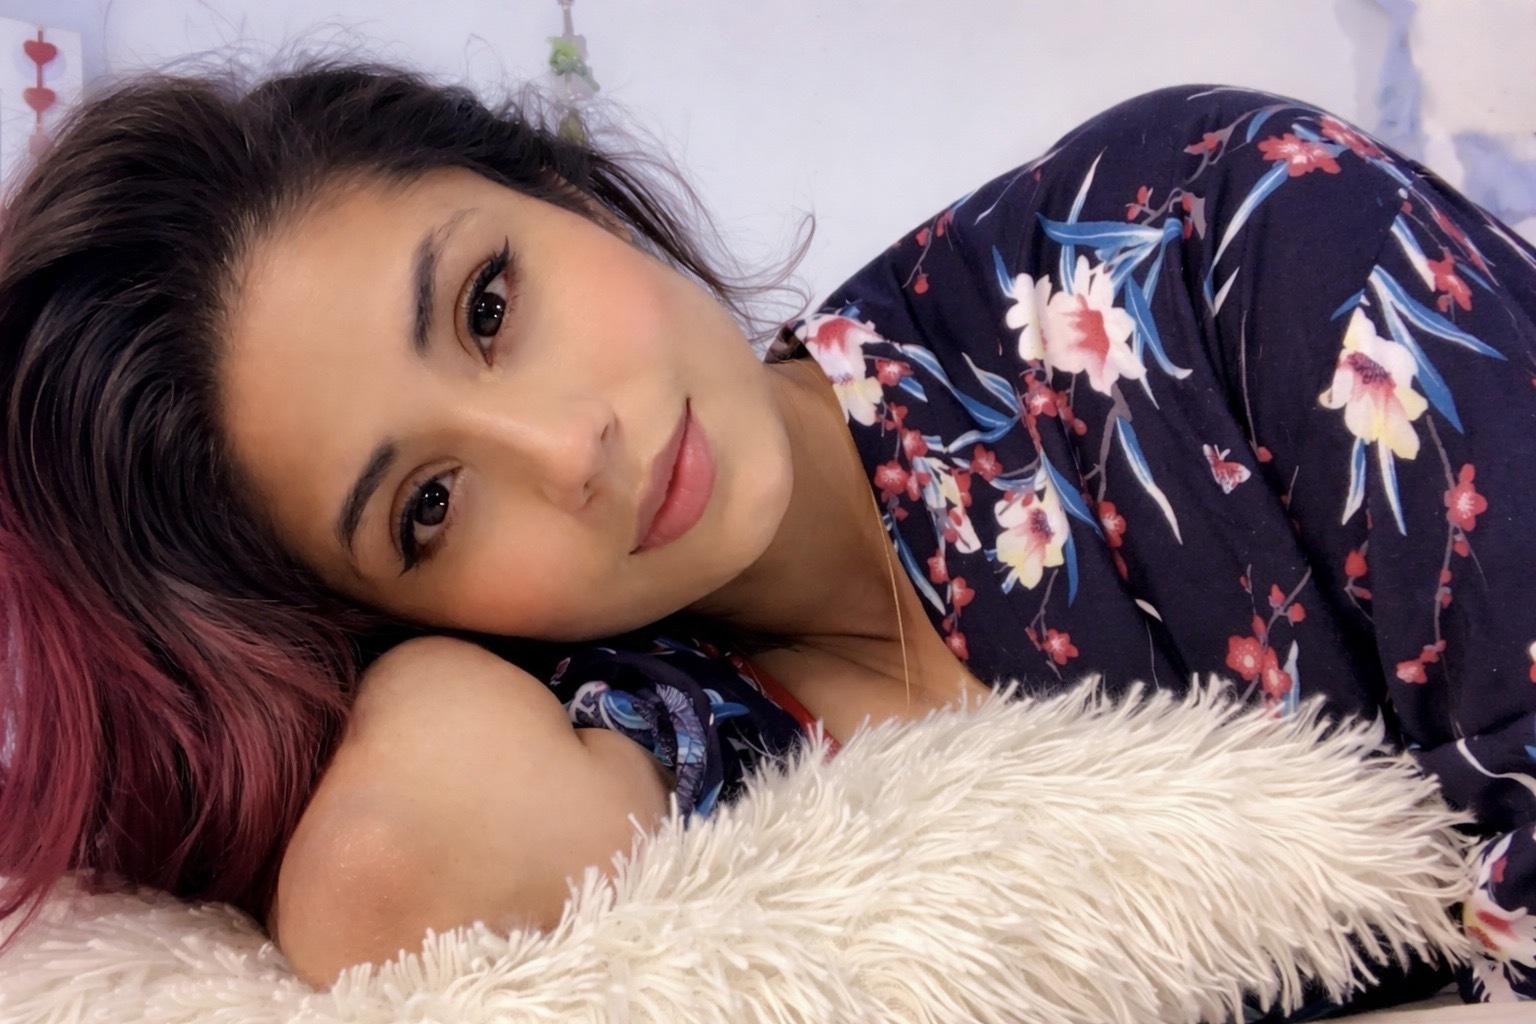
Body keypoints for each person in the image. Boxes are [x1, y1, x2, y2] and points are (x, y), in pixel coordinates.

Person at [0, 57, 1531, 1011]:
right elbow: (379, 883)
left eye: (490, 305)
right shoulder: (654, 740)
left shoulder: (1200, 237)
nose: (570, 453)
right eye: (428, 508)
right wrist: (405, 684)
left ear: (562, 187)